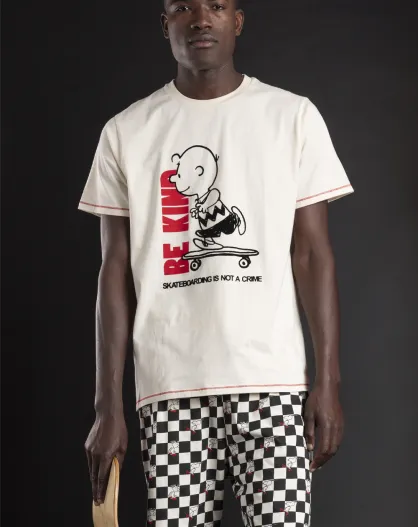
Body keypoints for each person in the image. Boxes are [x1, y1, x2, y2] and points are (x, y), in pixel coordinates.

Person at [80, 0, 354, 525]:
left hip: (273, 386)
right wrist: (106, 406)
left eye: (217, 5)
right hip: (170, 391)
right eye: (183, 7)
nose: (201, 19)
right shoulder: (126, 132)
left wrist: (328, 382)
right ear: (166, 24)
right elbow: (114, 272)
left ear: (237, 20)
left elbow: (312, 253)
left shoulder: (291, 116)